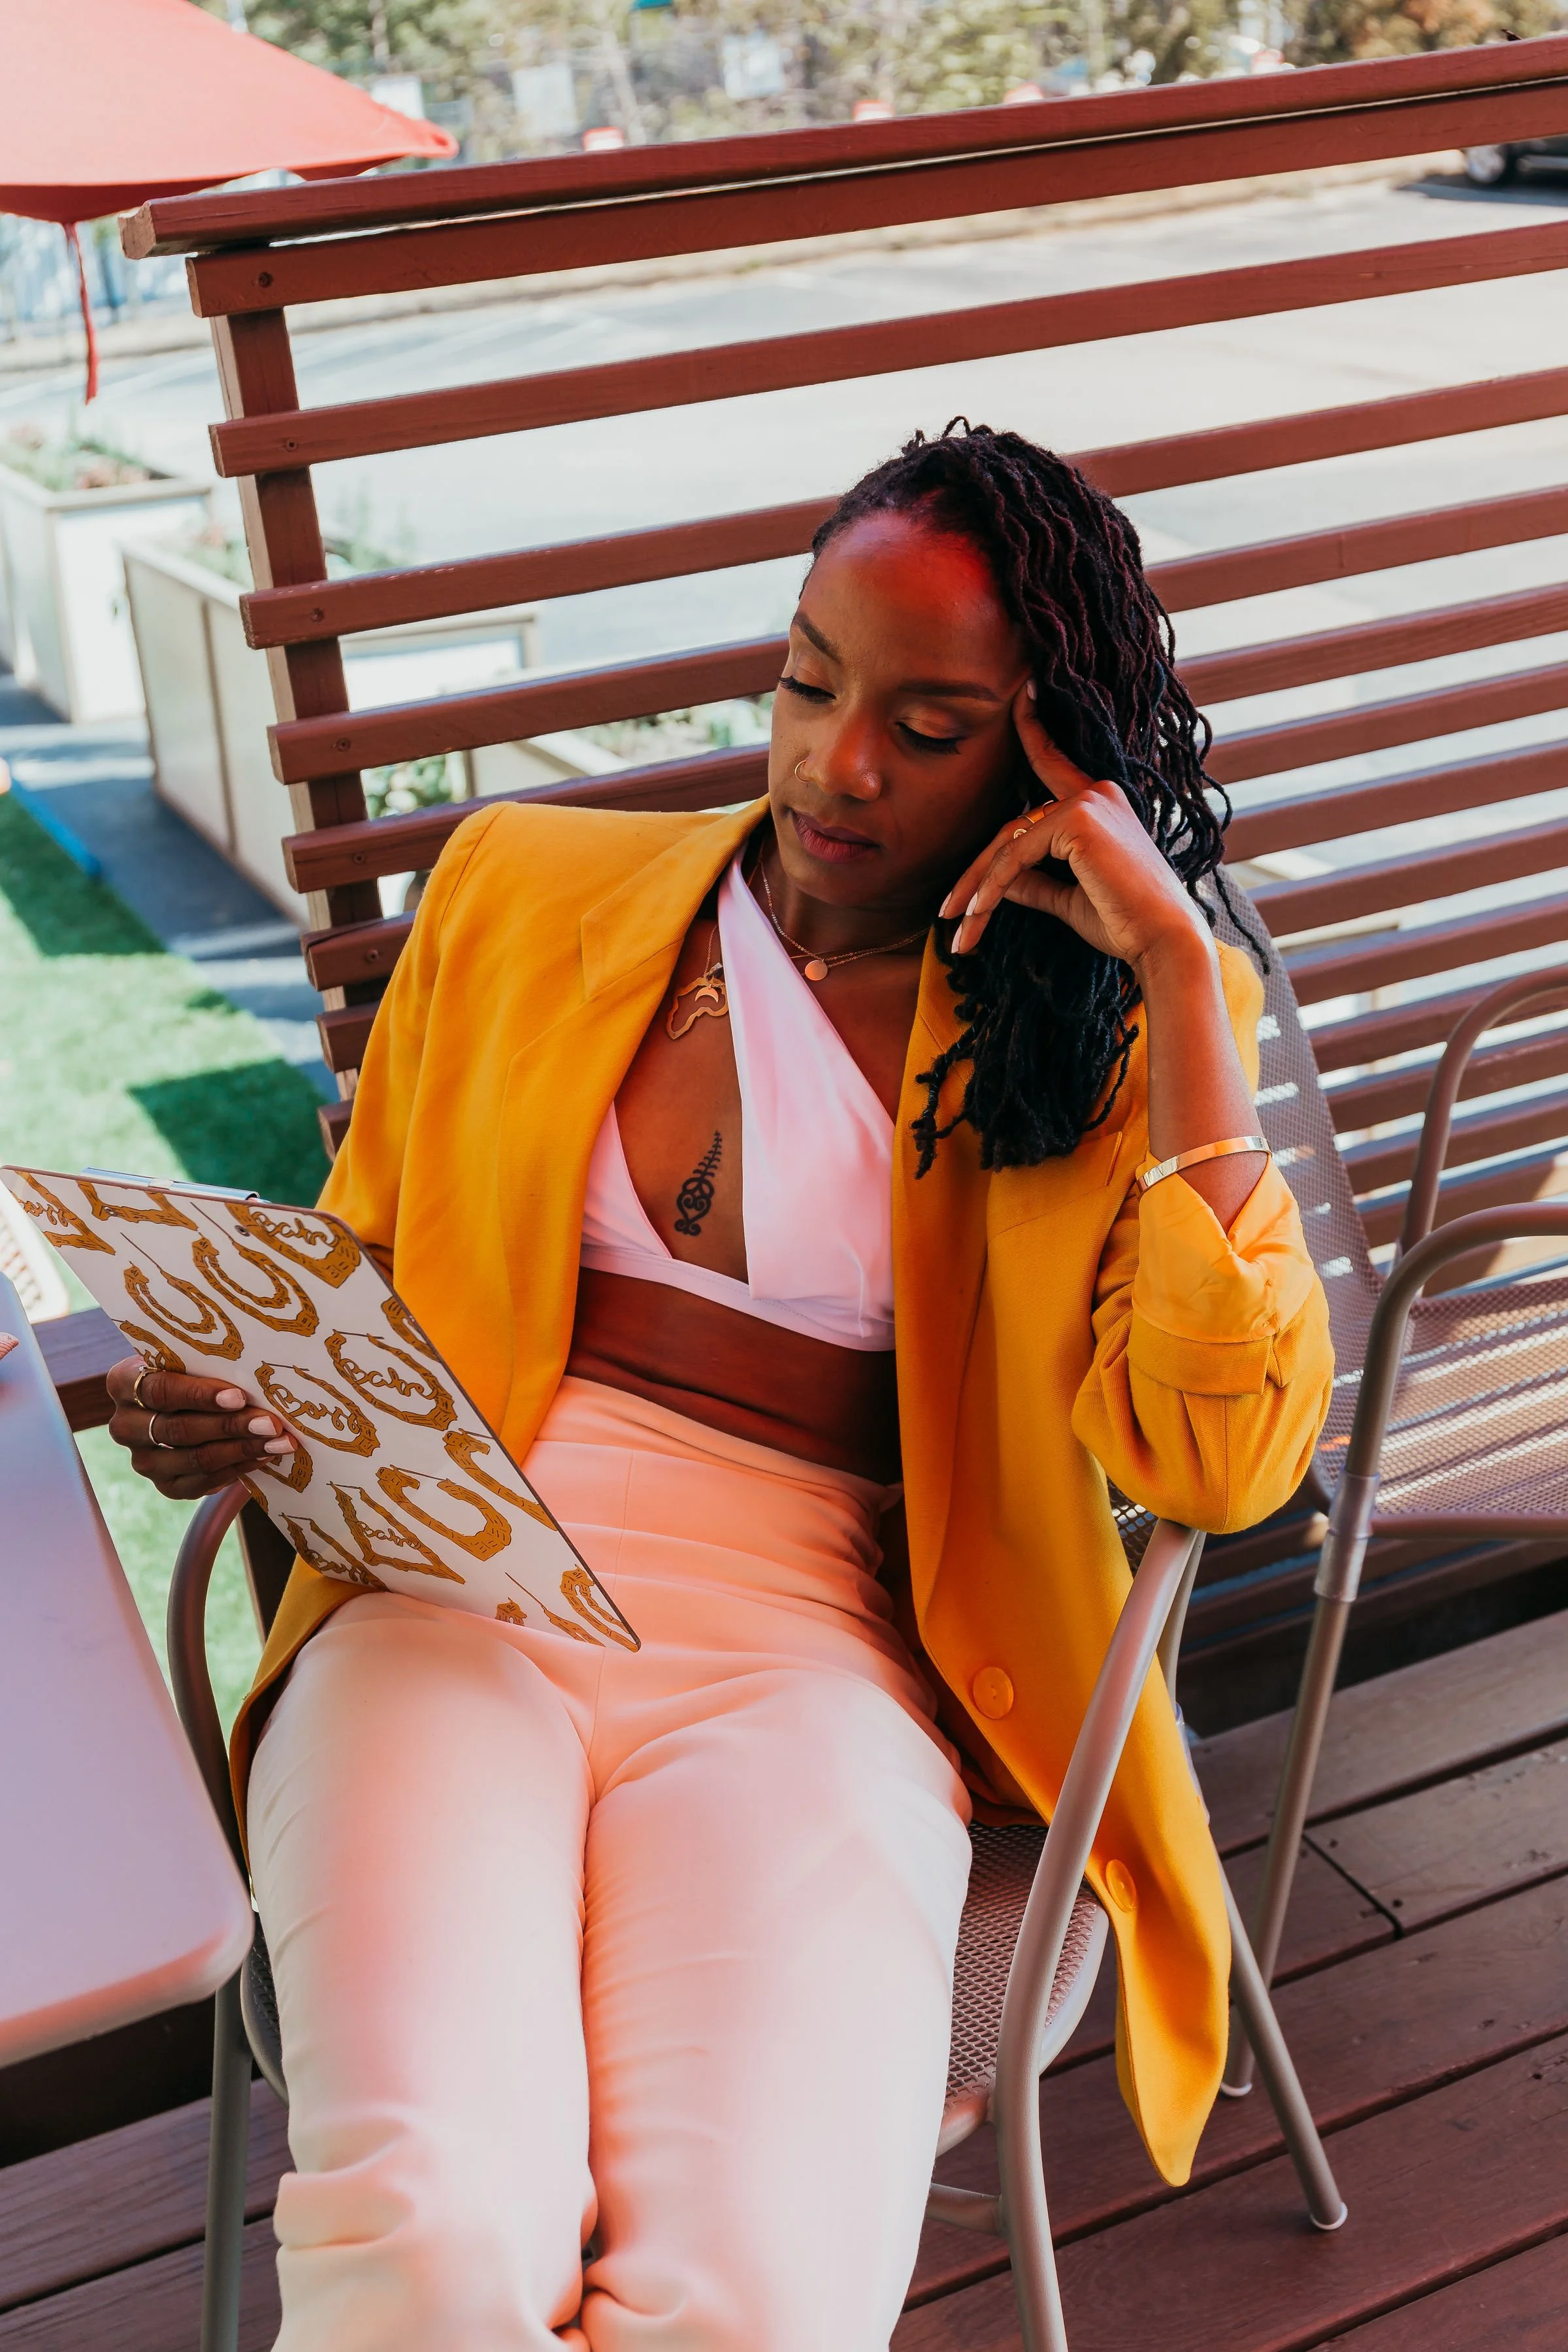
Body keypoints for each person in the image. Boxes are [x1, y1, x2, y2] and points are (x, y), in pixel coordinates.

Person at [107, 421, 1332, 2352]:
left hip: (818, 1651)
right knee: (431, 2240)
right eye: (809, 681)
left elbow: (1225, 1463)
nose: (841, 762)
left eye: (930, 727)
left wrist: (1183, 977)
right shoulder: (523, 888)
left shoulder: (1097, 1032)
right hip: (453, 1585)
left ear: (1050, 759)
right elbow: (360, 1269)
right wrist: (241, 1404)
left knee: (753, 2301)